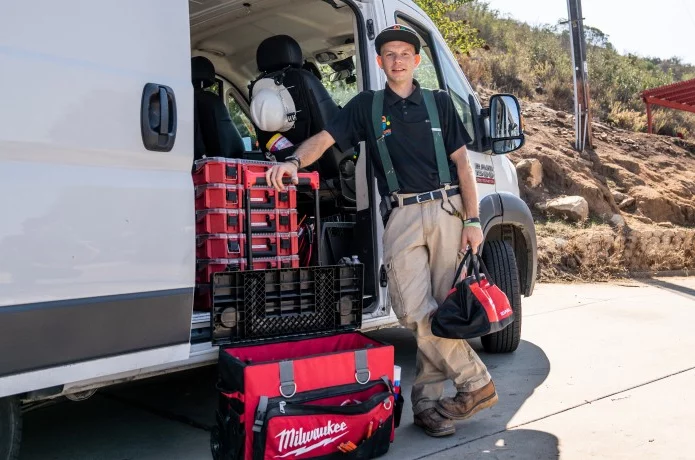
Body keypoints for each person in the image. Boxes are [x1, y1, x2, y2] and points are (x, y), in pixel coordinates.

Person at [265, 24, 497, 437]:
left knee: (441, 309)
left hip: (448, 209)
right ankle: (476, 383)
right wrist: (293, 163)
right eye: (389, 54)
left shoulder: (439, 103)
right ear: (379, 61)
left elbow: (464, 164)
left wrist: (473, 220)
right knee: (412, 309)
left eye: (405, 53)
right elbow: (323, 138)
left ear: (416, 61)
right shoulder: (366, 106)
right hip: (402, 215)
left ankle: (427, 404)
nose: (397, 60)